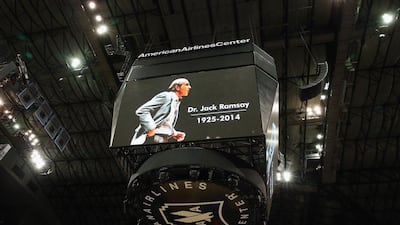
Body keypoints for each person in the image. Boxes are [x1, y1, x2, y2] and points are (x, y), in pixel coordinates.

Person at [130, 78, 191, 145]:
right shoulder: (166, 96)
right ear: (177, 87)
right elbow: (142, 110)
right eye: (186, 85)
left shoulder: (176, 101)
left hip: (161, 139)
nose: (189, 87)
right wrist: (151, 128)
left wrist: (174, 133)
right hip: (149, 138)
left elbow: (164, 122)